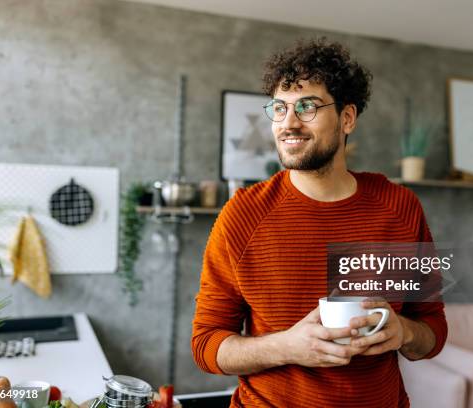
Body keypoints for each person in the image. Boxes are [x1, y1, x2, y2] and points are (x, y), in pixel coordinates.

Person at [191, 38, 447, 407]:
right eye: (279, 109)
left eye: (307, 106)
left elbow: (432, 331)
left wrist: (403, 331)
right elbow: (206, 345)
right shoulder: (242, 216)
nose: (289, 123)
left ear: (347, 118)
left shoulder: (399, 208)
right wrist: (288, 347)